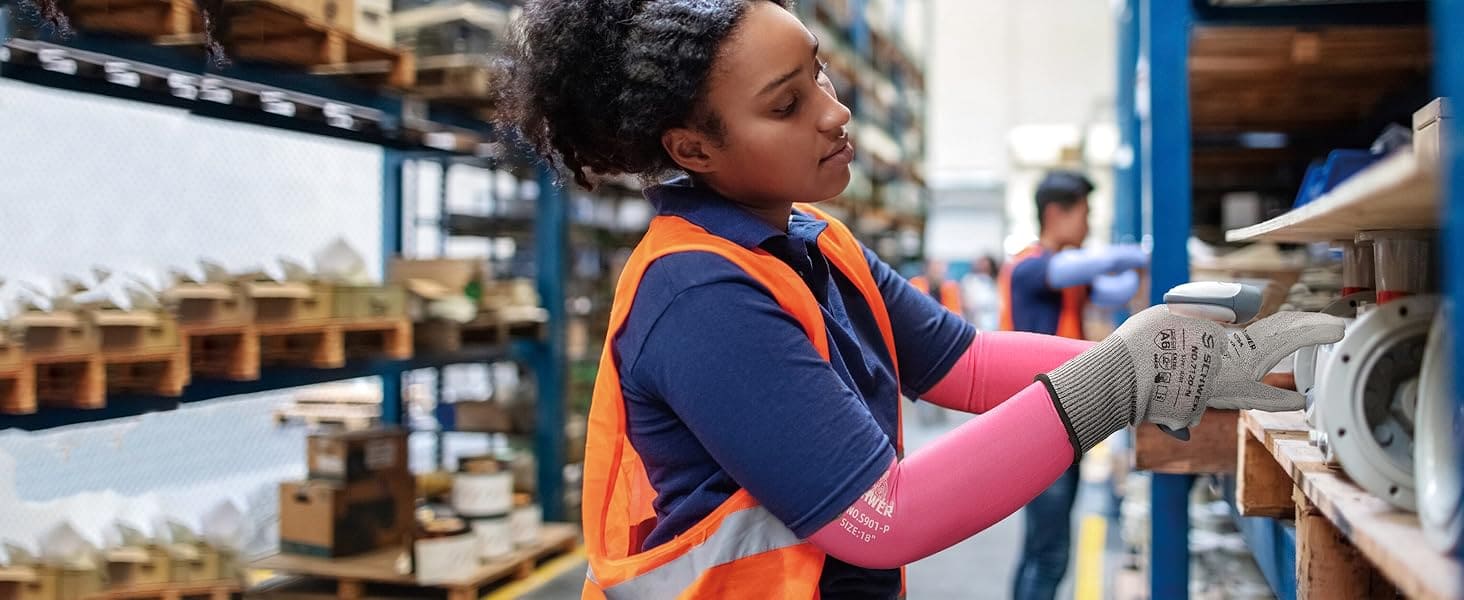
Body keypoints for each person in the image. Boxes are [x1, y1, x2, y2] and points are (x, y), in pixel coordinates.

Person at [499, 2, 1344, 598]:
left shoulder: (814, 243)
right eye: (786, 104)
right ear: (693, 148)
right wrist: (1116, 381)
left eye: (819, 74)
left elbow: (965, 364)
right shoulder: (698, 295)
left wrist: (1174, 366)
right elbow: (881, 518)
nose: (835, 112)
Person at [998, 171, 1149, 600]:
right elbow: (1090, 267)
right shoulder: (1027, 268)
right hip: (1037, 428)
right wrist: (1139, 253)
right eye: (1085, 212)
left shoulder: (1067, 271)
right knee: (1049, 555)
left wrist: (1141, 272)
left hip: (1064, 420)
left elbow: (1113, 288)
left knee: (1041, 550)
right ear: (1055, 214)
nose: (1088, 223)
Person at [962, 255, 1002, 331]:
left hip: (994, 324)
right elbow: (967, 304)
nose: (983, 266)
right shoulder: (970, 281)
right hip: (976, 324)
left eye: (986, 264)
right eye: (981, 263)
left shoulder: (996, 281)